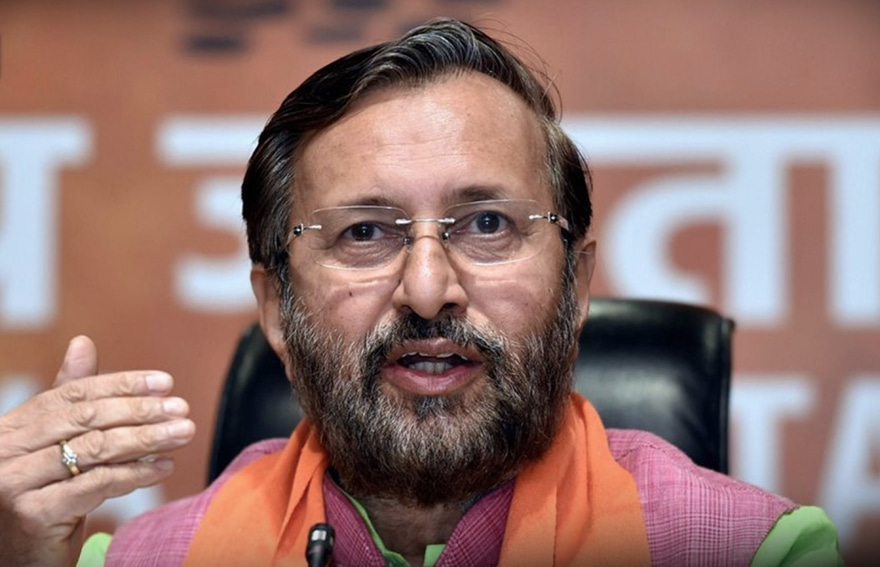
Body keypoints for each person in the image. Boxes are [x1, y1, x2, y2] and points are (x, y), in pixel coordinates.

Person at [0, 18, 842, 567]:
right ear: (276, 310)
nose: (430, 289)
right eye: (365, 233)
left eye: (487, 224)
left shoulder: (755, 550)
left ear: (577, 284)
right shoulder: (142, 559)